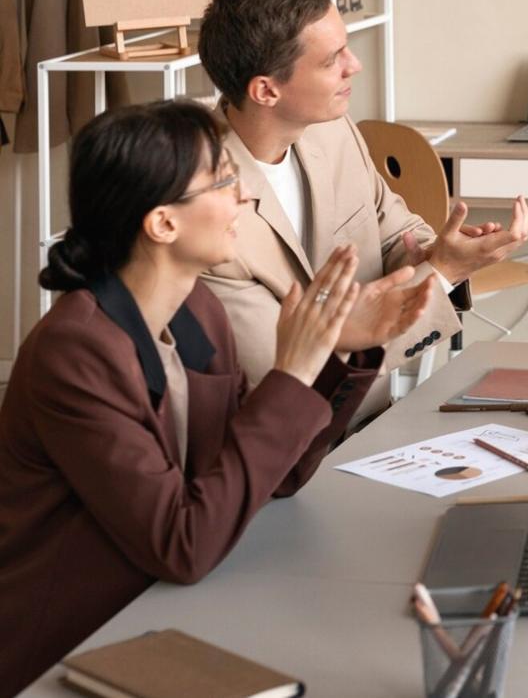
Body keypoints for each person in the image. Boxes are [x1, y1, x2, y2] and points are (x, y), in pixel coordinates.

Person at [0, 101, 423, 694]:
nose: (244, 198)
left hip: (168, 613)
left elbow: (276, 478)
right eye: (224, 181)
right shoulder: (74, 353)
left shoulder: (197, 309)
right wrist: (290, 375)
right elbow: (183, 543)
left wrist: (335, 351)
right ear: (163, 224)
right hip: (70, 648)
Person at [197, 0, 528, 417]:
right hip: (281, 448)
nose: (354, 66)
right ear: (266, 90)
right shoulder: (206, 207)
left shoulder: (332, 131)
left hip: (372, 421)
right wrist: (442, 273)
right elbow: (287, 370)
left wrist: (440, 252)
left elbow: (395, 232)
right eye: (332, 59)